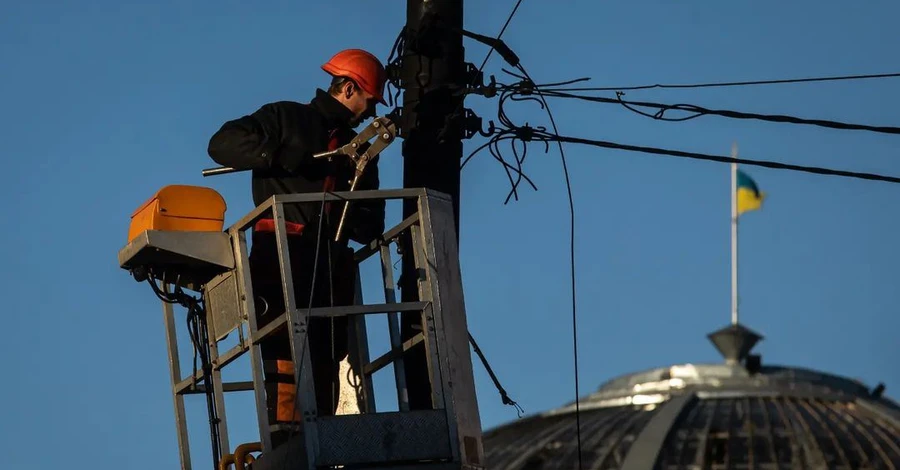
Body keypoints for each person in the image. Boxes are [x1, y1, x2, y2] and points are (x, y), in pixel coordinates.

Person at [206, 48, 388, 446]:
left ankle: (316, 433)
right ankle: (285, 437)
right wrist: (278, 154)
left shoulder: (360, 152)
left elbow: (372, 223)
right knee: (282, 343)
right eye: (369, 101)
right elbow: (222, 144)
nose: (370, 111)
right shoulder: (285, 118)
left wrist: (350, 199)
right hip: (280, 253)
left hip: (329, 263)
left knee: (326, 351)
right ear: (348, 88)